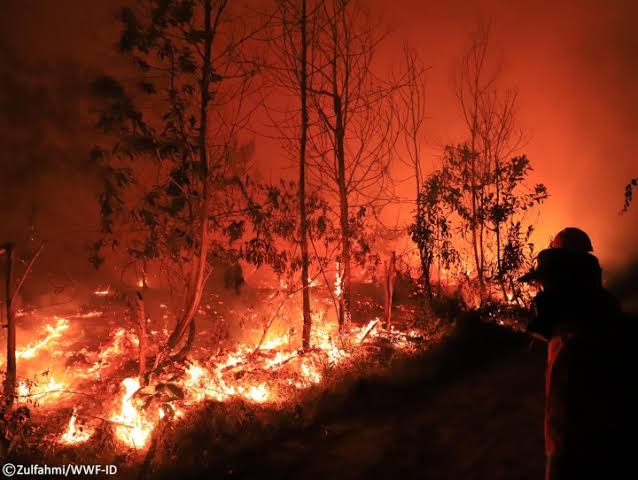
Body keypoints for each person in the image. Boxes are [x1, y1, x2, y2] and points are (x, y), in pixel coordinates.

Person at [520, 228, 629, 479]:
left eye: (545, 285)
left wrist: (554, 466)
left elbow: (560, 425)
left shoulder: (568, 351)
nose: (540, 294)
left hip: (578, 445)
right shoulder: (608, 308)